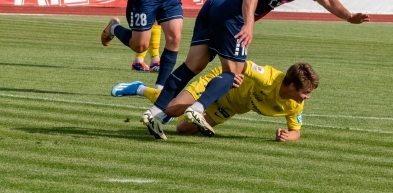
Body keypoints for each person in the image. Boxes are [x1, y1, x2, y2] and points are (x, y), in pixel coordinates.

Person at [141, 0, 368, 140]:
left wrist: (348, 16)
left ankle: (154, 113)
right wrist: (248, 25)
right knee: (234, 73)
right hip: (231, 15)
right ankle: (197, 109)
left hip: (215, 6)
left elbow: (327, 0)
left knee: (193, 66)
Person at [111, 61, 318, 141]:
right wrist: (233, 76)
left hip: (230, 108)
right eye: (306, 92)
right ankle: (140, 88)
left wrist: (286, 136)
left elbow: (296, 131)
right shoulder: (269, 77)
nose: (307, 97)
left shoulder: (295, 103)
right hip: (218, 84)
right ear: (291, 86)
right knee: (173, 110)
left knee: (183, 129)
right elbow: (242, 64)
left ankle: (168, 110)